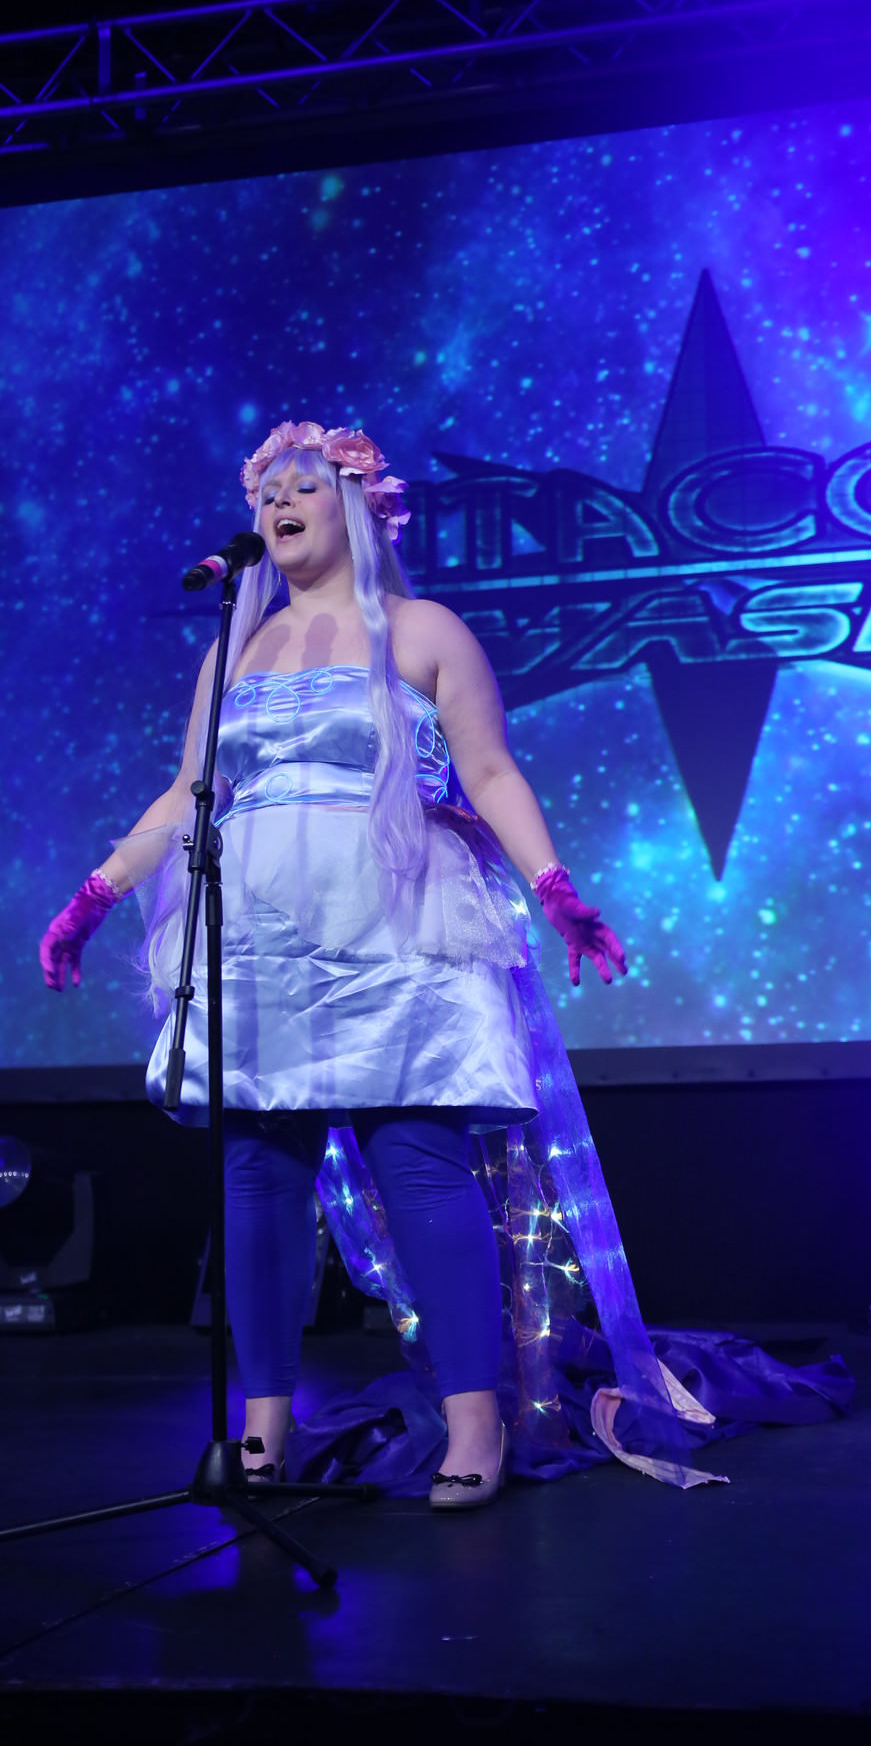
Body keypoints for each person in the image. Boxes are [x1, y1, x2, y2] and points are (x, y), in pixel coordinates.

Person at [38, 419, 635, 1508]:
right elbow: (190, 793)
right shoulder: (235, 647)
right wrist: (94, 896)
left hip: (395, 921)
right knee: (258, 1175)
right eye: (267, 489)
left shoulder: (423, 629)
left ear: (357, 502)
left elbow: (490, 770)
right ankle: (263, 1430)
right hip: (259, 936)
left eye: (304, 484)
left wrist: (555, 888)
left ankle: (477, 1421)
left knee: (418, 1162)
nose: (279, 502)